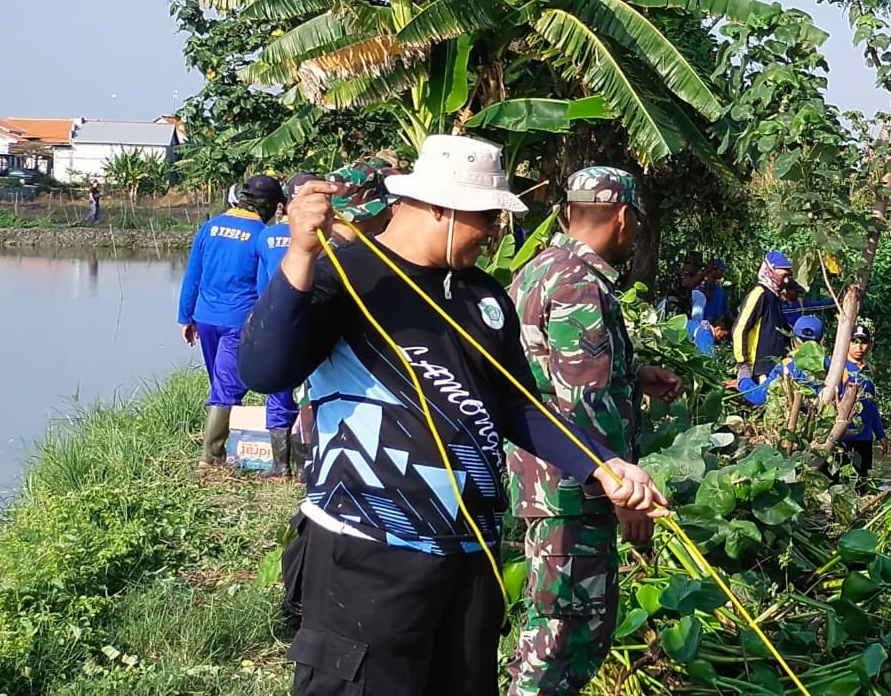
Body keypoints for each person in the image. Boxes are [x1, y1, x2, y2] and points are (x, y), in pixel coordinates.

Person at [237, 135, 666, 696]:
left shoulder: (482, 298)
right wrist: (298, 255)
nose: (493, 233)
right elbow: (264, 370)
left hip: (469, 559)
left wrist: (603, 465)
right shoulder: (347, 276)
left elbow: (517, 403)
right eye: (486, 218)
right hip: (369, 553)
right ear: (441, 207)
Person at [505, 167, 683, 696]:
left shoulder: (540, 271)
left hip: (547, 481)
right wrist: (621, 489)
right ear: (625, 218)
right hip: (573, 489)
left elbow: (549, 373)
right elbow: (581, 402)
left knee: (560, 627)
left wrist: (633, 373)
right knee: (563, 636)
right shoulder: (581, 284)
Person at [178, 174, 286, 465]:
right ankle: (211, 458)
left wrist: (184, 317)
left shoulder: (210, 227)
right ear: (270, 205)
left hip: (205, 318)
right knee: (224, 389)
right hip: (238, 321)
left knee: (220, 384)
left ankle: (222, 450)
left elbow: (192, 275)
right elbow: (265, 286)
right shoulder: (262, 235)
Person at [253, 173, 318, 481]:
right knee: (311, 396)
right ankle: (307, 468)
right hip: (314, 324)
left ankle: (280, 466)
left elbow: (261, 288)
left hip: (278, 324)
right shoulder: (326, 236)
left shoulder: (266, 237)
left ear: (284, 204)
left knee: (278, 394)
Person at [830, 324, 888, 478]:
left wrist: (881, 434)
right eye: (854, 341)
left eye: (863, 342)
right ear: (847, 343)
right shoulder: (840, 368)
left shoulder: (867, 370)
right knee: (840, 479)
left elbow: (871, 406)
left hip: (865, 438)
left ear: (869, 345)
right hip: (844, 436)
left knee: (862, 480)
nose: (859, 346)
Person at [735, 315, 824, 406]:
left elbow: (760, 396)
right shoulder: (831, 365)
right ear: (822, 341)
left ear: (793, 340)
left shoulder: (788, 367)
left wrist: (743, 381)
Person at [732, 251, 794, 380]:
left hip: (776, 367)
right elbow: (739, 329)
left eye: (788, 276)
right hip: (760, 369)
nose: (786, 280)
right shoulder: (759, 295)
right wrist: (743, 364)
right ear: (770, 271)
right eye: (783, 276)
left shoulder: (775, 298)